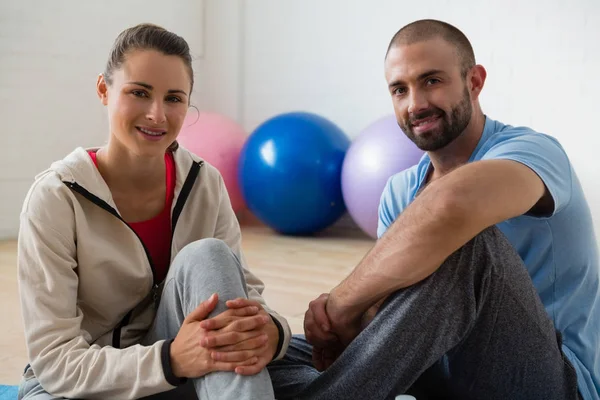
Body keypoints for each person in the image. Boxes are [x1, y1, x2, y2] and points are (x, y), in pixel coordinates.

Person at [268, 19, 600, 400]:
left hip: (550, 381)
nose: (416, 104)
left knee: (466, 244)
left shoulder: (534, 152)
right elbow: (394, 317)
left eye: (432, 81)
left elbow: (450, 207)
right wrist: (343, 326)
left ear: (474, 82)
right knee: (268, 354)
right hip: (439, 374)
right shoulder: (399, 190)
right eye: (399, 89)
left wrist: (340, 304)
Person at [16, 23, 291, 400]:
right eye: (139, 93)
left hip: (186, 368)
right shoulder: (55, 198)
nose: (157, 115)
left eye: (174, 98)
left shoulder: (205, 182)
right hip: (78, 385)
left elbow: (244, 300)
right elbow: (56, 363)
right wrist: (170, 360)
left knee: (208, 255)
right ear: (103, 90)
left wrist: (272, 333)